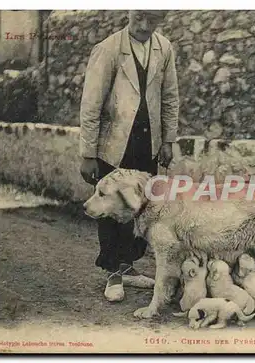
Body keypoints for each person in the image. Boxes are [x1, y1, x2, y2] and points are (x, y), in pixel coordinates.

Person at [79, 10, 179, 302]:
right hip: (113, 144)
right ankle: (113, 273)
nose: (144, 27)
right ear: (129, 13)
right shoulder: (108, 48)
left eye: (152, 20)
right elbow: (91, 103)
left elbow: (170, 97)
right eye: (139, 18)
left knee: (142, 206)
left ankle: (129, 266)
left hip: (148, 144)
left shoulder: (165, 48)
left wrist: (168, 140)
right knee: (112, 206)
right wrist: (88, 153)